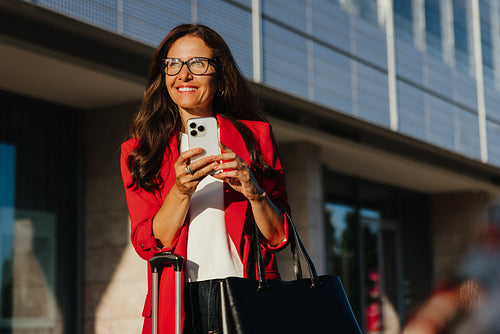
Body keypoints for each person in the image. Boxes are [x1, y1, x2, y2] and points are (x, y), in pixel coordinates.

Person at [120, 24, 291, 334]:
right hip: (176, 305)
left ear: (220, 74)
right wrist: (181, 190)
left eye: (197, 63)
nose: (183, 75)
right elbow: (150, 244)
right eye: (173, 64)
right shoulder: (140, 152)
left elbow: (280, 237)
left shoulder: (256, 138)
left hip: (247, 297)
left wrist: (254, 192)